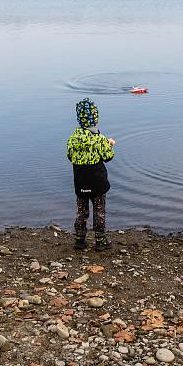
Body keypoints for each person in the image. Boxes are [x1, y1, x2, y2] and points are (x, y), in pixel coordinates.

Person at [67, 98, 115, 251]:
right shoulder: (99, 139)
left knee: (82, 211)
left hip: (80, 182)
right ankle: (100, 241)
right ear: (95, 119)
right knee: (99, 211)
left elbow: (69, 156)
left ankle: (80, 240)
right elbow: (108, 157)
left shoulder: (73, 139)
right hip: (97, 183)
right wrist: (109, 144)